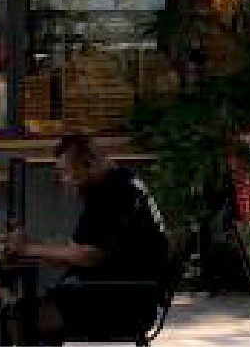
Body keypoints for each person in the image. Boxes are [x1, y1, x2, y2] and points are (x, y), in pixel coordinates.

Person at [9, 134, 170, 344]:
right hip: (130, 293)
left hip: (124, 300)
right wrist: (38, 249)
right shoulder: (121, 182)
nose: (64, 181)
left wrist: (28, 249)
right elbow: (78, 249)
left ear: (89, 165)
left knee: (22, 317)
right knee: (29, 310)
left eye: (66, 172)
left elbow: (88, 255)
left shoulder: (112, 193)